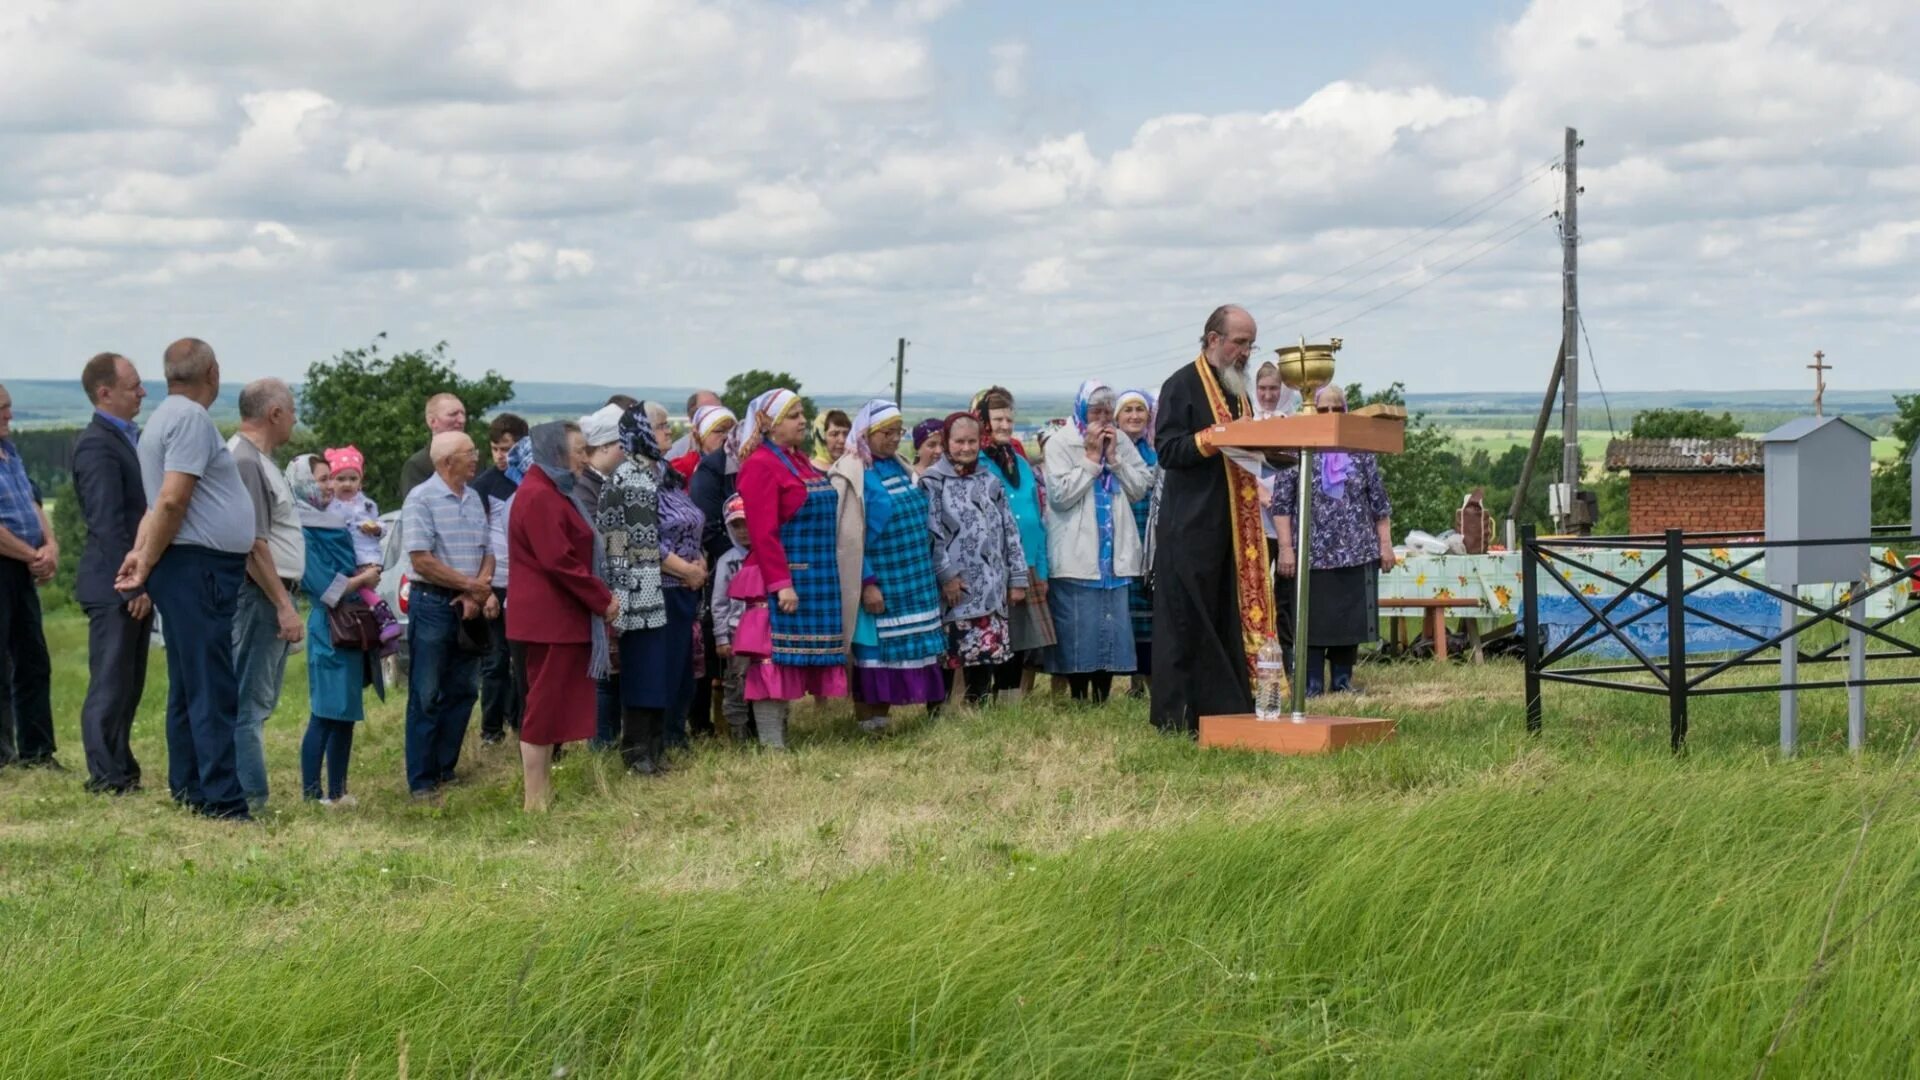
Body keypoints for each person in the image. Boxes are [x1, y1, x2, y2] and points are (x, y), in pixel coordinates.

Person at [116, 338, 257, 819]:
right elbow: (173, 501)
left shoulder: (159, 419)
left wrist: (141, 553)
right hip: (199, 567)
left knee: (189, 682)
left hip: (185, 565)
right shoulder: (193, 419)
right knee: (212, 684)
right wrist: (148, 558)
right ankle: (223, 799)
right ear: (213, 373)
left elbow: (157, 504)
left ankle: (190, 785)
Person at [1150, 305, 1275, 734]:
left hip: (1234, 530)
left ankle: (1226, 710)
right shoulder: (1181, 384)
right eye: (1239, 342)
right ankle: (1179, 716)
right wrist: (1215, 438)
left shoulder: (1236, 389)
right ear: (1212, 339)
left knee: (1225, 618)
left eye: (1250, 344)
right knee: (1189, 621)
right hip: (1190, 527)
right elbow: (1167, 450)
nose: (1245, 352)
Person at [508, 422, 617, 808]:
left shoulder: (553, 490)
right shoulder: (538, 495)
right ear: (555, 452)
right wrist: (601, 598)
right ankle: (534, 797)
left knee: (549, 704)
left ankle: (540, 794)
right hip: (549, 620)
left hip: (559, 618)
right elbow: (559, 561)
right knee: (542, 706)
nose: (584, 459)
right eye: (578, 451)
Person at [734, 388, 848, 748]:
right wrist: (782, 583)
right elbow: (762, 532)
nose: (802, 420)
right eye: (794, 415)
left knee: (790, 659)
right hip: (782, 577)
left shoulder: (796, 461)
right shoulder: (760, 465)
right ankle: (772, 744)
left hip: (815, 575)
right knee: (773, 659)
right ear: (769, 423)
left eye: (802, 414)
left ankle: (781, 736)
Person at [600, 404, 709, 771]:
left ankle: (658, 748)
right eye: (661, 426)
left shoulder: (665, 474)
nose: (667, 432)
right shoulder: (631, 476)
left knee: (671, 671)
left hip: (679, 590)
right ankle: (637, 754)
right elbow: (640, 540)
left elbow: (691, 523)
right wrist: (687, 571)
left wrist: (700, 562)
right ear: (642, 431)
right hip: (647, 590)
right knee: (647, 670)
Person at [829, 400, 947, 732]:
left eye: (898, 432)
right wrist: (867, 582)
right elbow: (849, 536)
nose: (895, 439)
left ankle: (906, 718)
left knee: (916, 649)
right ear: (867, 433)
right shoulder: (852, 473)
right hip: (879, 579)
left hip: (913, 576)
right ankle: (872, 723)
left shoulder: (899, 465)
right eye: (887, 433)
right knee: (876, 654)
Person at [1273, 385, 1396, 695]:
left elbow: (1379, 505)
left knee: (1348, 620)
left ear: (1345, 412)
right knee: (1312, 621)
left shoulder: (1361, 451)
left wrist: (1385, 545)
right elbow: (1281, 506)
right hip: (1311, 554)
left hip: (1356, 551)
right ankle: (1312, 683)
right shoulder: (1296, 450)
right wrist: (1286, 549)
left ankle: (1342, 681)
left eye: (1335, 409)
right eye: (1322, 409)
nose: (1329, 415)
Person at [1043, 381, 1153, 704]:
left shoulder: (1118, 441)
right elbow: (1061, 497)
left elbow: (1139, 487)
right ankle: (1078, 698)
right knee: (1079, 631)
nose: (1103, 419)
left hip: (1113, 554)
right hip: (1076, 555)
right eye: (1096, 411)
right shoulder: (1060, 443)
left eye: (1108, 411)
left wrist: (1115, 459)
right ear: (1081, 410)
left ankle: (1101, 698)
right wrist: (1092, 460)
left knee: (1110, 630)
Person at [400, 430, 495, 800]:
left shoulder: (473, 498)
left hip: (467, 605)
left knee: (464, 689)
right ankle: (422, 779)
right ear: (445, 462)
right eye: (469, 453)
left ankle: (445, 766)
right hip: (434, 605)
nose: (476, 458)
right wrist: (469, 587)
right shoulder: (421, 499)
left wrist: (479, 585)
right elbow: (421, 559)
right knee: (427, 692)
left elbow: (488, 549)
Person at [71, 354, 151, 791]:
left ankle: (120, 765)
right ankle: (104, 775)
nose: (142, 392)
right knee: (110, 682)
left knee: (129, 683)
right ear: (105, 393)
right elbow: (106, 522)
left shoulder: (124, 438)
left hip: (128, 581)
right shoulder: (97, 444)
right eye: (133, 386)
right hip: (113, 583)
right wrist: (131, 584)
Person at [227, 379, 307, 811]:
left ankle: (248, 794)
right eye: (291, 410)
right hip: (261, 596)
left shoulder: (259, 460)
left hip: (271, 595)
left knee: (260, 700)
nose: (295, 418)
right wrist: (282, 604)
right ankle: (251, 800)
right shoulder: (245, 461)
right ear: (274, 414)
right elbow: (253, 544)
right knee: (249, 704)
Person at [288, 454, 381, 807]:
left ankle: (338, 791)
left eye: (330, 478)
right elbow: (324, 588)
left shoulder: (334, 520)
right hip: (330, 627)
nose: (329, 486)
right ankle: (312, 795)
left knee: (345, 713)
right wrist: (363, 579)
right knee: (325, 714)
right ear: (302, 483)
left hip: (350, 625)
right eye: (322, 479)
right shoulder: (302, 528)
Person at [922, 412, 1028, 707]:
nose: (966, 448)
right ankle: (938, 715)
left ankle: (976, 712)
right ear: (946, 442)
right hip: (955, 589)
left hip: (991, 587)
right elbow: (932, 533)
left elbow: (1010, 530)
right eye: (959, 442)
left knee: (984, 655)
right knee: (948, 655)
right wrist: (946, 576)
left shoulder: (990, 480)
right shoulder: (932, 482)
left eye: (971, 441)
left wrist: (1017, 578)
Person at [976, 387, 1053, 701]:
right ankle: (982, 702)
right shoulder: (978, 463)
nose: (1005, 425)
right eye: (997, 419)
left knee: (1021, 640)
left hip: (1029, 564)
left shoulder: (1020, 463)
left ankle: (1011, 704)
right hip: (995, 567)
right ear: (984, 422)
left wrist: (1043, 569)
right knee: (996, 640)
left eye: (1009, 418)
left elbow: (1037, 514)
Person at [0, 382, 60, 771]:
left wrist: (50, 545)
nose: (10, 414)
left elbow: (33, 501)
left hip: (23, 565)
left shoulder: (10, 451)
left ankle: (38, 751)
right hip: (6, 563)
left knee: (33, 659)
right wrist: (31, 554)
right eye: (3, 409)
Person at [472, 413, 528, 745]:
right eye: (495, 449)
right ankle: (491, 730)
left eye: (507, 448)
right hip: (496, 580)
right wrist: (485, 589)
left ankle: (522, 721)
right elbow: (480, 539)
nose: (500, 456)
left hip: (525, 584)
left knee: (523, 662)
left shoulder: (530, 482)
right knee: (495, 662)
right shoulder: (483, 485)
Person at [576, 402, 626, 748]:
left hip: (613, 587)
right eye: (622, 445)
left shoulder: (604, 482)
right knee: (605, 674)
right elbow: (603, 537)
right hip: (601, 588)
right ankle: (602, 744)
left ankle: (610, 739)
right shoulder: (586, 487)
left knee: (616, 671)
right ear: (606, 447)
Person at [321, 446, 401, 646]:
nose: (347, 484)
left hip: (367, 556)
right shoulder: (330, 507)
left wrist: (375, 529)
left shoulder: (368, 505)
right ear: (331, 481)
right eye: (340, 479)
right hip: (349, 556)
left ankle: (385, 616)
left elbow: (381, 527)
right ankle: (384, 633)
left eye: (352, 479)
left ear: (361, 482)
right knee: (364, 592)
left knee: (363, 588)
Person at [1116, 388, 1159, 694]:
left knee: (1150, 608)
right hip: (1119, 537)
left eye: (1139, 410)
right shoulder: (1111, 452)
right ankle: (1133, 681)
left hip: (1150, 535)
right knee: (1127, 608)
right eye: (1127, 410)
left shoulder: (1155, 453)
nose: (1134, 416)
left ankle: (1151, 679)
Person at [709, 494, 756, 742]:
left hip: (766, 634)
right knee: (736, 683)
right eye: (736, 526)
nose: (743, 531)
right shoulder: (728, 561)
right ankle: (739, 734)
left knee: (768, 680)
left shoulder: (770, 555)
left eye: (747, 523)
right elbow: (719, 602)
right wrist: (721, 637)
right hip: (737, 635)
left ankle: (771, 729)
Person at [398, 393, 468, 498]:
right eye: (453, 414)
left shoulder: (474, 461)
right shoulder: (418, 465)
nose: (462, 420)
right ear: (432, 421)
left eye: (463, 414)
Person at [671, 404, 735, 483]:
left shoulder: (738, 463)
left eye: (732, 431)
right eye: (719, 431)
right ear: (701, 435)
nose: (726, 436)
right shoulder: (685, 466)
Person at [667, 389, 723, 459]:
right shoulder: (676, 454)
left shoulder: (734, 447)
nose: (717, 417)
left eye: (719, 411)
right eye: (707, 413)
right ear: (692, 419)